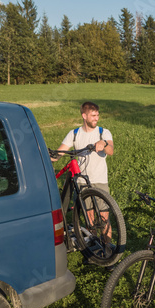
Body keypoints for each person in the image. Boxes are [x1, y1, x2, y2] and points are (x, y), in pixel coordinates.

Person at [52, 101, 114, 251]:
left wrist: (103, 143)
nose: (96, 118)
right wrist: (47, 156)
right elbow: (59, 154)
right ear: (84, 116)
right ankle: (94, 248)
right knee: (89, 217)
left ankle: (108, 248)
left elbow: (111, 150)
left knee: (104, 217)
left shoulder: (103, 132)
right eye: (93, 115)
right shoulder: (74, 134)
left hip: (99, 180)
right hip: (81, 182)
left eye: (97, 115)